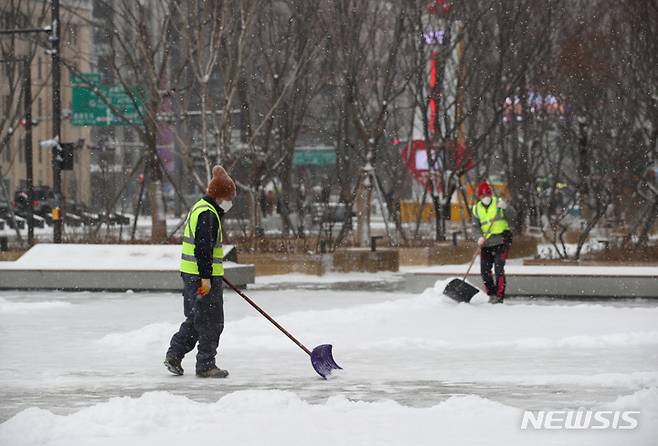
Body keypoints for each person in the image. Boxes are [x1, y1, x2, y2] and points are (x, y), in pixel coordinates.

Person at [164, 165, 236, 378]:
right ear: (221, 196)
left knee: (198, 317)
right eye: (230, 197)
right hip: (201, 278)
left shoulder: (201, 208)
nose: (231, 202)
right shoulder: (207, 213)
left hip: (193, 274)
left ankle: (174, 354)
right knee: (212, 321)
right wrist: (206, 277)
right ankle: (206, 364)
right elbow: (202, 248)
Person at [472, 181, 514, 304]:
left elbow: (513, 216)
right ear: (479, 196)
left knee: (498, 267)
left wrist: (506, 207)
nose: (485, 197)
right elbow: (475, 227)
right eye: (483, 195)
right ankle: (492, 294)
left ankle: (499, 297)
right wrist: (479, 238)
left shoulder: (498, 203)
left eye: (487, 194)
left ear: (490, 194)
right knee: (485, 271)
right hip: (486, 243)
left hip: (502, 240)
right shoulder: (476, 209)